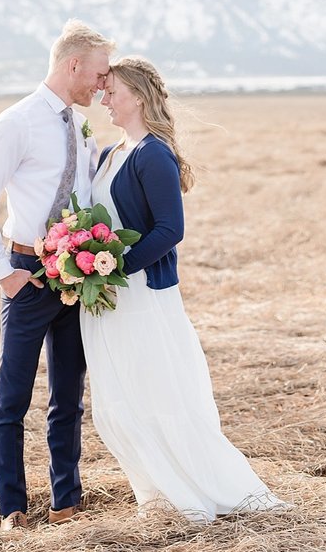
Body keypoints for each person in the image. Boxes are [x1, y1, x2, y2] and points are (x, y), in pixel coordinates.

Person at [80, 56, 288, 523]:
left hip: (140, 295)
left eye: (111, 90)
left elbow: (170, 229)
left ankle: (194, 491)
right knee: (121, 398)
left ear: (137, 95)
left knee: (157, 392)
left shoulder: (153, 153)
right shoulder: (115, 151)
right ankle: (156, 492)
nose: (104, 98)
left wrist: (116, 269)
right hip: (107, 297)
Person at [0, 19, 115, 533]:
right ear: (73, 65)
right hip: (27, 271)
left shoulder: (78, 124)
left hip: (76, 276)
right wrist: (5, 274)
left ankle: (66, 501)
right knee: (13, 398)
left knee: (68, 395)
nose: (102, 83)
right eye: (98, 73)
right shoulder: (17, 122)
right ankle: (12, 510)